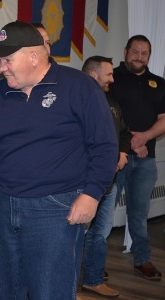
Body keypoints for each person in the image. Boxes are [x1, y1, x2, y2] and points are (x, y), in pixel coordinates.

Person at [0, 21, 118, 299]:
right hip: (6, 203)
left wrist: (92, 194)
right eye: (0, 60)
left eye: (7, 59)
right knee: (0, 289)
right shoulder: (0, 92)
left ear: (33, 56)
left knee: (49, 291)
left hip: (56, 209)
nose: (1, 67)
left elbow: (105, 146)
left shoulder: (79, 87)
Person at [109, 35, 165, 281]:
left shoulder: (159, 83)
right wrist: (133, 140)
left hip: (145, 160)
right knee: (103, 213)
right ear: (126, 51)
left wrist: (144, 138)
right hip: (114, 159)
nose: (139, 57)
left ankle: (142, 260)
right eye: (135, 52)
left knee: (140, 213)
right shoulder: (112, 78)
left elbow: (164, 118)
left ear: (149, 56)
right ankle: (93, 265)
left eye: (144, 53)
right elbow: (106, 114)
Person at [81, 56, 131, 297]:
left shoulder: (112, 102)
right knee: (75, 234)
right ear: (93, 75)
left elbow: (124, 133)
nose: (113, 78)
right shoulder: (76, 100)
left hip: (108, 184)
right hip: (84, 184)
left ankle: (92, 279)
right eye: (109, 74)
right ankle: (65, 286)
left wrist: (121, 153)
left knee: (100, 234)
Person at [0, 22, 51, 92]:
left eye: (8, 60)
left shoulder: (64, 85)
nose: (0, 68)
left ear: (33, 57)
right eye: (0, 60)